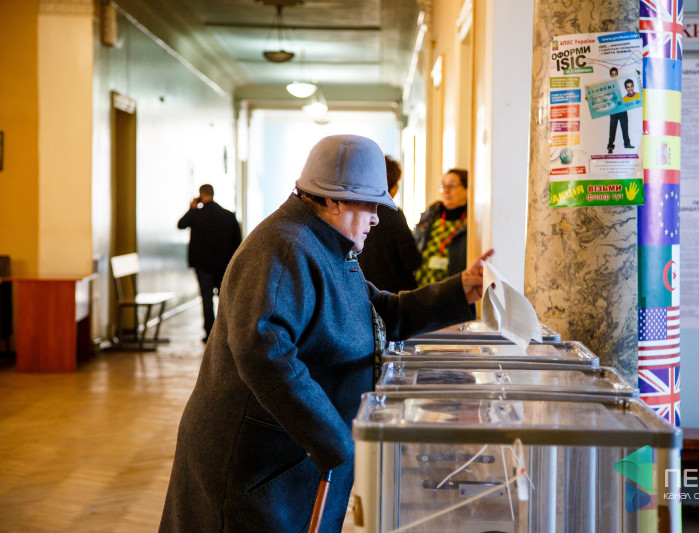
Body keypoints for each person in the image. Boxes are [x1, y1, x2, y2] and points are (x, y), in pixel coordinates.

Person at [159, 135, 493, 533]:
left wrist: (459, 290)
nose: (376, 218)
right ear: (334, 201)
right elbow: (264, 354)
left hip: (292, 458)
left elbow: (380, 313)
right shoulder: (285, 248)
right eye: (370, 206)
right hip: (257, 468)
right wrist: (337, 442)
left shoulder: (326, 244)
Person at [177, 184, 242, 342]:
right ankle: (227, 332)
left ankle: (210, 333)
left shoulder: (196, 215)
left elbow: (181, 224)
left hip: (202, 265)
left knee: (206, 299)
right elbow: (238, 241)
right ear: (213, 194)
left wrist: (192, 208)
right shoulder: (228, 216)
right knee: (225, 298)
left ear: (201, 195)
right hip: (223, 265)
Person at [358, 155, 422, 292]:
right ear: (394, 187)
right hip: (393, 292)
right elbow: (412, 259)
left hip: (361, 289)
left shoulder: (354, 211)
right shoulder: (393, 215)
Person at [414, 168, 469, 287]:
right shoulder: (430, 216)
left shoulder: (471, 223)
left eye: (452, 185)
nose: (446, 191)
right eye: (443, 186)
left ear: (467, 189)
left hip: (452, 289)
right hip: (421, 288)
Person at [607, 67, 634, 153]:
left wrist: (637, 74)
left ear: (617, 74)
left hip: (622, 108)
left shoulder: (622, 83)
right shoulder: (607, 85)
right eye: (612, 74)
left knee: (625, 127)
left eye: (615, 74)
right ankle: (610, 146)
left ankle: (627, 144)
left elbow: (630, 85)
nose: (614, 76)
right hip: (613, 109)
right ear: (610, 75)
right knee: (612, 128)